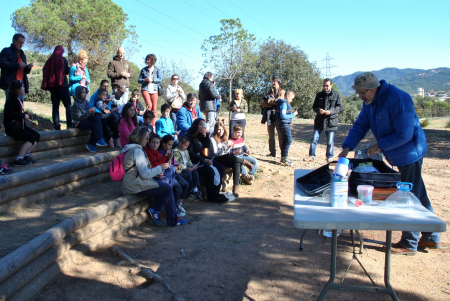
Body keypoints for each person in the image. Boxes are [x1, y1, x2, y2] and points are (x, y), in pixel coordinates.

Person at [339, 72, 441, 255]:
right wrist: (347, 147)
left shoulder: (397, 99)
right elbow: (360, 125)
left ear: (374, 88)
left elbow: (404, 134)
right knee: (418, 191)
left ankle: (409, 243)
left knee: (410, 196)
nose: (360, 97)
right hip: (398, 153)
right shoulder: (370, 102)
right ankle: (431, 236)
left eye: (362, 93)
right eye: (358, 93)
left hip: (410, 152)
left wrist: (379, 145)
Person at [121, 126, 186, 226]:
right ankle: (171, 219)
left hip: (134, 181)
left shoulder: (131, 148)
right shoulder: (137, 151)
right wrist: (160, 168)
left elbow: (145, 170)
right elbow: (145, 173)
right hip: (133, 184)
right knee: (167, 187)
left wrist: (157, 171)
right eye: (146, 138)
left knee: (164, 180)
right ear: (140, 137)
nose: (147, 140)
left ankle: (161, 211)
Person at [185, 118, 228, 203]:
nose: (203, 126)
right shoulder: (188, 137)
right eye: (200, 124)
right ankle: (210, 195)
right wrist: (204, 160)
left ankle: (216, 192)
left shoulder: (200, 135)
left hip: (202, 158)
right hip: (194, 162)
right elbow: (192, 154)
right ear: (195, 125)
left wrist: (205, 135)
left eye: (204, 124)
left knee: (221, 167)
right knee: (210, 171)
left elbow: (206, 146)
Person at [209, 121, 254, 197]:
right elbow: (216, 153)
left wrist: (229, 147)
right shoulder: (212, 138)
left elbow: (226, 152)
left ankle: (235, 188)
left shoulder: (223, 138)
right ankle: (245, 162)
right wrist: (226, 146)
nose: (221, 131)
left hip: (224, 158)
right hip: (215, 159)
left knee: (236, 163)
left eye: (222, 129)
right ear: (216, 130)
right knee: (228, 156)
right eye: (219, 129)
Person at [3, 80, 39, 165]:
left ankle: (26, 154)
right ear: (17, 90)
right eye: (22, 87)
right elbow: (10, 114)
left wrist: (26, 115)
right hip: (12, 128)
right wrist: (22, 116)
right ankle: (19, 158)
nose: (24, 88)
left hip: (20, 126)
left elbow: (18, 113)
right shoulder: (11, 101)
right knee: (31, 138)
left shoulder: (18, 100)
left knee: (36, 136)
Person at [307, 78, 342, 163]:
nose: (325, 87)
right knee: (314, 139)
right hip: (319, 121)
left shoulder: (336, 95)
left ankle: (329, 157)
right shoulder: (319, 95)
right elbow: (314, 107)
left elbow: (340, 107)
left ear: (331, 85)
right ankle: (312, 156)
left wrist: (331, 112)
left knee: (330, 141)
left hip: (331, 122)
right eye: (323, 85)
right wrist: (319, 110)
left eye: (327, 85)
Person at [41, 45, 72, 130]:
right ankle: (69, 124)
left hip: (53, 87)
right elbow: (66, 71)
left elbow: (45, 70)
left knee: (55, 107)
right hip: (63, 86)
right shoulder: (63, 59)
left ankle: (57, 126)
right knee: (68, 105)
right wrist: (70, 68)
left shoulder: (50, 60)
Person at [158, 134, 190, 217]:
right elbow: (162, 165)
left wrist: (177, 165)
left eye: (172, 145)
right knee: (178, 188)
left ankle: (179, 203)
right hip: (166, 174)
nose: (170, 146)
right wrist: (167, 158)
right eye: (169, 145)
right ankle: (174, 208)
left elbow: (174, 163)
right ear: (164, 144)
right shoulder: (161, 153)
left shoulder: (170, 152)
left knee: (185, 184)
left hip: (173, 173)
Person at [71, 86, 107, 152]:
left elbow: (88, 114)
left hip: (86, 119)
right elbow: (79, 117)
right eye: (83, 92)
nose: (85, 94)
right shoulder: (76, 104)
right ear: (78, 93)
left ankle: (99, 139)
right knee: (95, 124)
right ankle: (95, 142)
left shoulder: (86, 102)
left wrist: (92, 112)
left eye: (86, 92)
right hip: (78, 122)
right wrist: (89, 112)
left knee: (97, 118)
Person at [0, 34, 33, 102]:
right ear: (14, 41)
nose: (21, 45)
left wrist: (28, 68)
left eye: (23, 43)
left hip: (21, 86)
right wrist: (18, 65)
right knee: (11, 107)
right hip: (10, 85)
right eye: (20, 42)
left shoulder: (22, 54)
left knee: (20, 107)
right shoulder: (6, 51)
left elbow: (25, 72)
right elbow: (2, 64)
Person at [173, 135, 203, 201]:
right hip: (180, 170)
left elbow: (188, 161)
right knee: (188, 173)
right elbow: (177, 163)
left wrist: (192, 165)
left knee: (195, 172)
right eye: (185, 145)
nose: (186, 147)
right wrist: (186, 168)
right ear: (180, 143)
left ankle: (195, 190)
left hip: (186, 168)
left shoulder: (186, 151)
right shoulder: (175, 151)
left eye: (187, 146)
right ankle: (190, 191)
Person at [261, 76, 285, 157]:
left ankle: (283, 153)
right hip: (270, 116)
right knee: (271, 136)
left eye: (275, 81)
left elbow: (280, 101)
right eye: (272, 81)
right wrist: (274, 101)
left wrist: (270, 101)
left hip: (279, 116)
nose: (273, 83)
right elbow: (263, 103)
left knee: (280, 136)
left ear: (279, 82)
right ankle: (272, 152)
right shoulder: (269, 92)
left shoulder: (282, 92)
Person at [138, 54, 161, 128]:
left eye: (149, 59)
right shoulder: (143, 70)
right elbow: (139, 80)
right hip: (145, 89)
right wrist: (145, 79)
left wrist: (153, 80)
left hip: (154, 90)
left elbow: (160, 79)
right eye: (146, 59)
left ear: (152, 60)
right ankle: (146, 122)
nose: (147, 61)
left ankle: (152, 125)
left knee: (154, 107)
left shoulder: (157, 69)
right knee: (149, 105)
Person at [276, 90, 298, 166]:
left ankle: (284, 158)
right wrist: (293, 115)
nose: (291, 100)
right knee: (288, 140)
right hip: (284, 125)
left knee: (285, 141)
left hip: (282, 124)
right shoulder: (284, 103)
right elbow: (283, 116)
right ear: (288, 96)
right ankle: (284, 158)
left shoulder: (282, 103)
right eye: (291, 98)